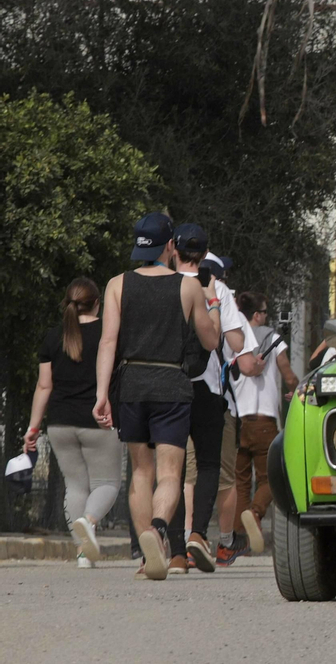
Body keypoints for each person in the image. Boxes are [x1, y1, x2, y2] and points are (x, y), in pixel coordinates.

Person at [92, 212, 222, 581]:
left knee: (140, 472)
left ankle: (146, 558)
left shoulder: (117, 284)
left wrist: (102, 394)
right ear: (170, 246)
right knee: (170, 472)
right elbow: (210, 341)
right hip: (171, 382)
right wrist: (212, 304)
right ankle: (158, 530)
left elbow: (107, 342)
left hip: (130, 381)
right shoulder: (188, 287)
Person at [166, 224, 256, 574]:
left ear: (173, 249)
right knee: (207, 465)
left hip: (168, 385)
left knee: (171, 469)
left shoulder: (162, 285)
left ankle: (175, 548)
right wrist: (217, 303)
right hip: (207, 388)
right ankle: (199, 534)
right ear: (204, 255)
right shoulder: (217, 288)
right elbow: (234, 344)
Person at [24, 278, 120, 567]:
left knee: (76, 486)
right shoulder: (108, 333)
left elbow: (44, 387)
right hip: (98, 420)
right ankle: (88, 522)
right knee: (108, 484)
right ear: (97, 304)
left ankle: (82, 553)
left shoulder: (54, 337)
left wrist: (33, 427)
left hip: (59, 423)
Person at [221, 291, 298, 566]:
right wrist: (296, 389)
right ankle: (254, 514)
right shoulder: (274, 339)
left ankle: (239, 538)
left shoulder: (233, 339)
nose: (266, 316)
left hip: (239, 419)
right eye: (264, 311)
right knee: (269, 479)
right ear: (257, 314)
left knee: (240, 481)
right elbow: (288, 373)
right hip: (265, 421)